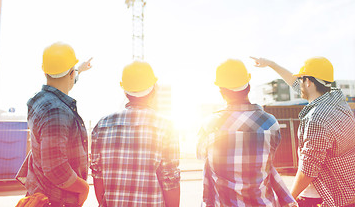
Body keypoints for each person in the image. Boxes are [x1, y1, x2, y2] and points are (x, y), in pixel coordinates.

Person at [251, 56, 355, 207]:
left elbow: (308, 169)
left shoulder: (317, 118)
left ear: (308, 82)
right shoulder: (337, 100)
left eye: (300, 79)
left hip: (320, 197)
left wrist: (288, 199)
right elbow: (294, 83)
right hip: (347, 190)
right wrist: (272, 64)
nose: (297, 84)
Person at [197, 59, 297, 207]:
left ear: (221, 91)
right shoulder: (271, 123)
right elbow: (269, 162)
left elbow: (201, 156)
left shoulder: (210, 125)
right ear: (248, 87)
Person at [90, 60, 180, 207]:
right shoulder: (166, 126)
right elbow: (170, 180)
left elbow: (98, 176)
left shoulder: (102, 125)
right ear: (154, 89)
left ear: (125, 90)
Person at [16, 42, 93, 207]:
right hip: (57, 200)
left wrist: (79, 69)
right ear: (71, 74)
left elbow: (62, 82)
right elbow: (55, 168)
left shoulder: (38, 100)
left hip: (40, 195)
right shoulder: (56, 111)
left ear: (45, 71)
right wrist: (83, 188)